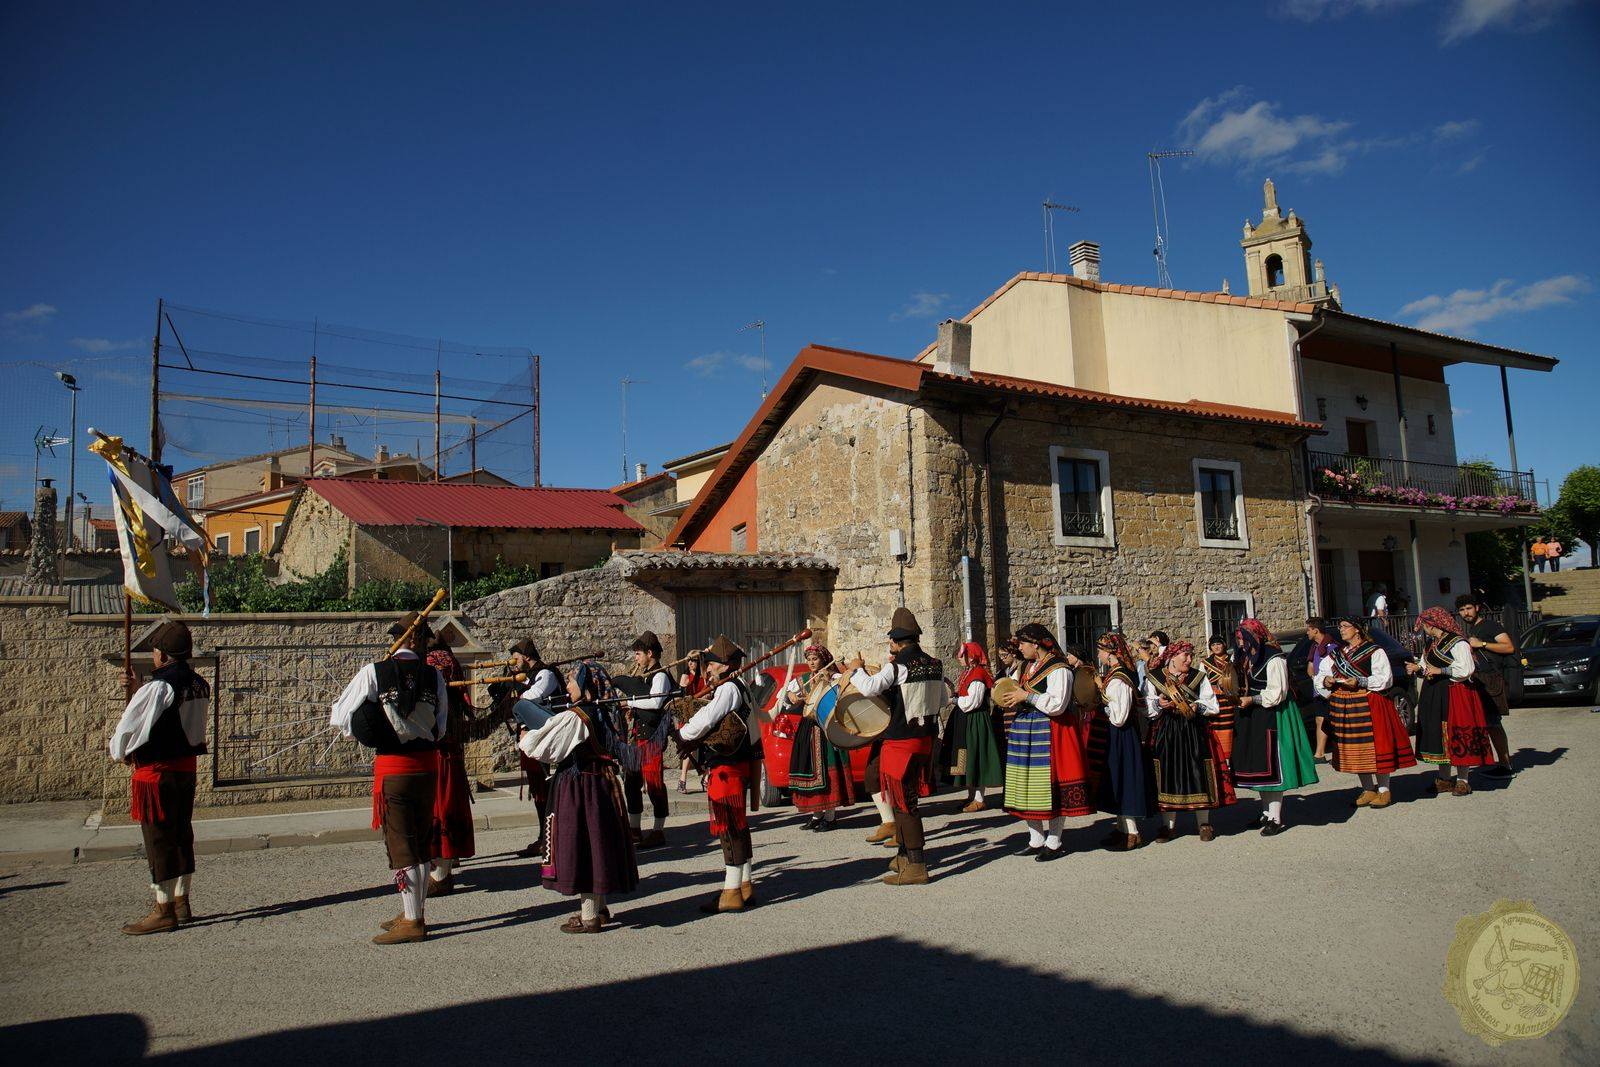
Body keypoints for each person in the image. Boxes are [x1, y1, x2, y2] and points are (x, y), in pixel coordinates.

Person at [330, 611, 449, 945]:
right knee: (421, 842)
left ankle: (414, 920)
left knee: (403, 845)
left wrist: (372, 731)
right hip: (426, 767)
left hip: (394, 769)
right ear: (419, 641)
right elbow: (440, 726)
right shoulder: (434, 676)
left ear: (403, 638)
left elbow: (340, 714)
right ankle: (413, 911)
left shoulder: (374, 672)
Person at [520, 660, 638, 932]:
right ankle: (600, 908)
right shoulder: (602, 712)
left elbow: (545, 748)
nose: (568, 685)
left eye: (572, 681)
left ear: (585, 686)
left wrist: (526, 737)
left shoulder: (578, 715)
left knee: (584, 847)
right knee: (599, 845)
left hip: (581, 786)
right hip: (602, 785)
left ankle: (589, 917)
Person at [110, 621, 209, 935]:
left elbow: (130, 729)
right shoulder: (200, 683)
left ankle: (163, 909)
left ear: (163, 654)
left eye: (154, 650)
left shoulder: (158, 686)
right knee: (181, 835)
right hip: (186, 770)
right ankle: (182, 901)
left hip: (156, 774)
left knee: (159, 840)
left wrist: (121, 751)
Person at [844, 608, 947, 886]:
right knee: (905, 800)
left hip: (901, 744)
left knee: (904, 805)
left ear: (896, 641)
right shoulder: (935, 663)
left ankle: (916, 865)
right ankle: (903, 857)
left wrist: (856, 669)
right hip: (924, 741)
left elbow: (868, 687)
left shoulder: (898, 666)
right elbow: (944, 699)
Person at [675, 634, 761, 912]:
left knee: (729, 828)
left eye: (710, 664)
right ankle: (745, 885)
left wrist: (683, 733)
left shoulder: (728, 689)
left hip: (728, 768)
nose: (707, 669)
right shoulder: (741, 685)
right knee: (738, 825)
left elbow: (707, 718)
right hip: (738, 764)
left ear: (723, 665)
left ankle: (731, 892)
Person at [994, 623, 1093, 861]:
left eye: (1022, 644)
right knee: (1028, 786)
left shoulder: (1059, 669)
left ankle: (1054, 841)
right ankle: (1036, 839)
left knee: (1052, 787)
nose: (1020, 649)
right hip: (1028, 732)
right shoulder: (1029, 666)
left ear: (1036, 644)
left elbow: (1058, 704)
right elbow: (1022, 693)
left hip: (1051, 732)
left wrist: (1026, 696)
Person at [1316, 617, 1417, 809]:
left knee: (1377, 748)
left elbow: (1384, 679)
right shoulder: (1336, 654)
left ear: (1357, 630)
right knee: (1357, 749)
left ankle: (1384, 790)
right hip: (1346, 706)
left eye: (1345, 626)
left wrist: (1361, 681)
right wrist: (1326, 681)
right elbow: (1320, 675)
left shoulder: (1374, 651)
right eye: (1340, 627)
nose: (1341, 630)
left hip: (1370, 702)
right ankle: (1368, 789)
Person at [1230, 620, 1317, 835]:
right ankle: (1266, 813)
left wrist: (1254, 699)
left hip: (1273, 713)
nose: (1240, 642)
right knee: (1259, 766)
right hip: (1254, 714)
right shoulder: (1247, 657)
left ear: (1254, 636)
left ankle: (1276, 817)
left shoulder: (1273, 657)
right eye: (1239, 638)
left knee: (1273, 766)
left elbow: (1278, 692)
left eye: (1243, 638)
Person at [424, 633, 494, 897]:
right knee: (447, 804)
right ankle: (445, 865)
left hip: (439, 744)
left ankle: (440, 874)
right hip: (449, 742)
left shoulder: (433, 662)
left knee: (441, 806)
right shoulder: (449, 659)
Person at [1143, 641, 1233, 842]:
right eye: (1185, 655)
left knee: (1198, 773)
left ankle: (1204, 824)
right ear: (1172, 657)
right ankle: (1168, 827)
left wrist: (1197, 706)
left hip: (1194, 731)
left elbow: (1212, 705)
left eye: (1191, 655)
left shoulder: (1198, 677)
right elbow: (1146, 706)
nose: (1189, 660)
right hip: (1166, 732)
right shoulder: (1155, 677)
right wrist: (1159, 703)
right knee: (1167, 775)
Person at [1410, 607, 1494, 796]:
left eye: (1424, 624)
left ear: (1432, 624)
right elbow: (1427, 666)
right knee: (1439, 732)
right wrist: (1417, 667)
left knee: (1456, 732)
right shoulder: (1432, 644)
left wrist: (1442, 671)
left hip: (1455, 692)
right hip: (1434, 693)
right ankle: (1445, 779)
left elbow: (1466, 669)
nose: (1423, 628)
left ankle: (1463, 780)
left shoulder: (1458, 643)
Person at [1092, 633, 1155, 851]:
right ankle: (1122, 829)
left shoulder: (1119, 679)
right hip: (1118, 734)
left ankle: (1133, 833)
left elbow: (1119, 716)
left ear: (1110, 652)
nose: (1098, 653)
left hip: (1122, 735)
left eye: (1101, 649)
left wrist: (1103, 705)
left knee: (1125, 780)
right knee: (1117, 780)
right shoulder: (1115, 675)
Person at [785, 643, 853, 830]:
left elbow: (846, 692)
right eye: (809, 659)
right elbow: (786, 697)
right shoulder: (805, 679)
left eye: (815, 659)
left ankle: (830, 817)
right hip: (809, 730)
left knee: (829, 771)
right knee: (812, 772)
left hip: (828, 728)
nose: (811, 663)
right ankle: (817, 815)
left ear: (824, 660)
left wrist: (831, 680)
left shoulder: (835, 677)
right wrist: (791, 695)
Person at [508, 640, 563, 857]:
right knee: (539, 792)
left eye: (516, 657)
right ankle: (544, 837)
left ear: (525, 655)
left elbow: (532, 696)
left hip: (546, 741)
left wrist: (513, 690)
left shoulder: (545, 674)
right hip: (533, 741)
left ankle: (550, 839)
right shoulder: (529, 676)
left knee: (546, 791)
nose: (513, 662)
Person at [622, 631, 674, 849]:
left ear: (649, 653)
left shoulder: (660, 675)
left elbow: (654, 704)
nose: (636, 658)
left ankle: (658, 831)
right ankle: (634, 829)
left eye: (638, 654)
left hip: (652, 738)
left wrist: (630, 703)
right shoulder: (643, 675)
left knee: (653, 784)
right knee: (631, 782)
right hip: (638, 738)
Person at [1457, 594, 1516, 778]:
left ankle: (1506, 766)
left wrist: (1481, 643)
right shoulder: (1471, 629)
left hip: (1491, 680)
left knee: (1493, 723)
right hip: (1478, 681)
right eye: (1462, 610)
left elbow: (1508, 647)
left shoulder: (1490, 626)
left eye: (1468, 608)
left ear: (1477, 608)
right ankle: (1497, 762)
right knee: (1487, 723)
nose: (1466, 613)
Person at [949, 641, 1003, 812]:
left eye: (962, 655)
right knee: (966, 758)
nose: (959, 658)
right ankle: (971, 796)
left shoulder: (978, 675)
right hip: (966, 720)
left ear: (971, 657)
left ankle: (979, 799)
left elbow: (973, 702)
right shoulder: (969, 673)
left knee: (976, 757)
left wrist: (955, 700)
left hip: (976, 720)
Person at [1303, 619, 1340, 760]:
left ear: (1316, 630)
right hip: (1319, 690)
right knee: (1320, 719)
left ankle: (1338, 751)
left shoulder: (1332, 648)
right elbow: (1310, 667)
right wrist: (1315, 679)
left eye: (1309, 629)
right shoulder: (1314, 647)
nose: (1307, 632)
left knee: (1332, 721)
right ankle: (1319, 754)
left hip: (1331, 691)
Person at [1200, 635, 1239, 762]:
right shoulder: (1205, 663)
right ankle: (1221, 759)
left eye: (1219, 644)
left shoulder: (1232, 659)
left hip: (1231, 700)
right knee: (1217, 730)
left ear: (1224, 645)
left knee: (1232, 729)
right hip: (1215, 701)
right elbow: (1202, 683)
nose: (1216, 647)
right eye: (1213, 645)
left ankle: (1234, 758)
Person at [676, 652, 705, 793]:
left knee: (705, 746)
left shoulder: (704, 676)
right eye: (689, 660)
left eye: (694, 660)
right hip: (688, 715)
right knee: (689, 748)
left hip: (702, 713)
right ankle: (682, 779)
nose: (691, 663)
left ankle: (705, 777)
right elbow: (681, 697)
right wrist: (684, 685)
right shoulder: (686, 676)